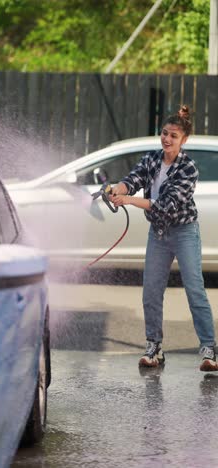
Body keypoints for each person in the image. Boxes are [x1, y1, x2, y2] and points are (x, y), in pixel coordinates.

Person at [109, 105, 217, 372]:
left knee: (195, 290)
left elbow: (166, 205)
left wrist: (129, 200)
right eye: (164, 133)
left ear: (184, 140)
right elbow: (133, 179)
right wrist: (116, 189)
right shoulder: (151, 159)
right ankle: (154, 347)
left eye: (173, 136)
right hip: (158, 233)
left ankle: (209, 350)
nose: (167, 139)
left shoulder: (188, 168)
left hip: (184, 232)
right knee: (151, 292)